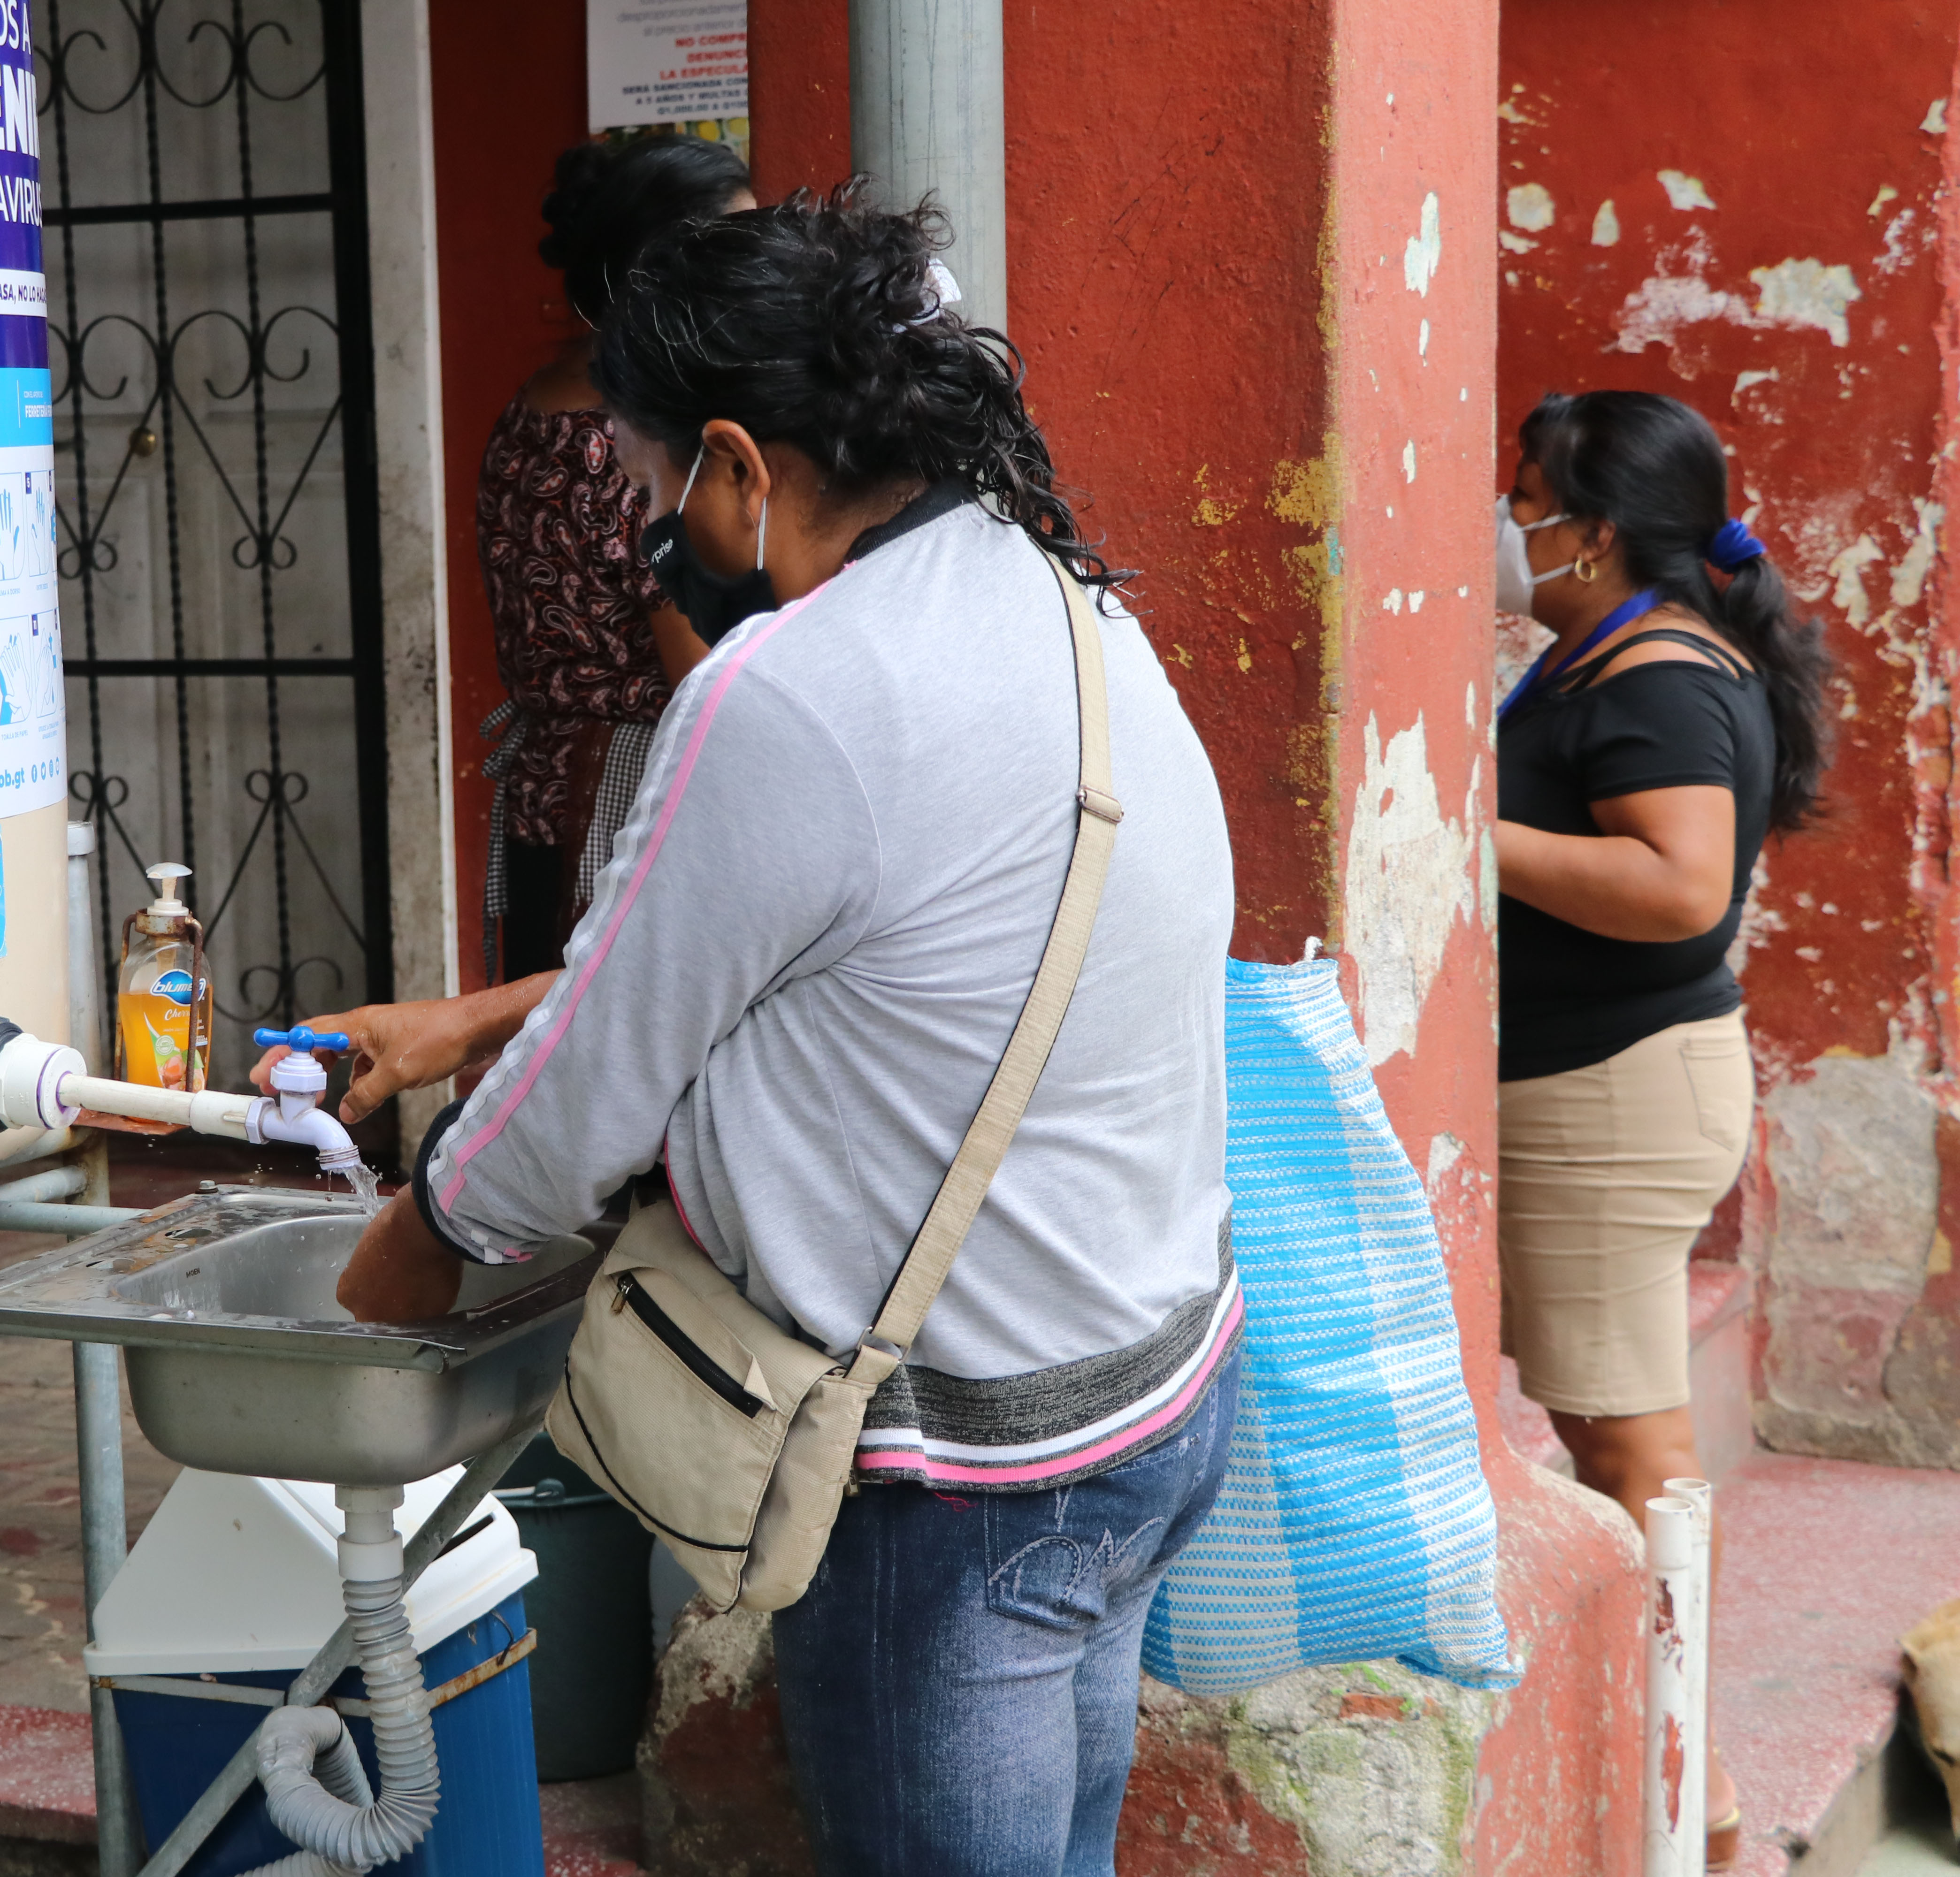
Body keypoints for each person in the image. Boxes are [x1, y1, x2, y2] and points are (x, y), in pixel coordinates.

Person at [261, 184, 1241, 1876]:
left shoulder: (792, 689)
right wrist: (457, 1031)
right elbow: (837, 959)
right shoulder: (1061, 593)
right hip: (1156, 1387)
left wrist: (412, 1253)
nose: (653, 521)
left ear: (732, 464)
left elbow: (594, 1085)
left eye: (651, 482)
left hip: (961, 1479)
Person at [1492, 389, 1832, 1873]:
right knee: (1613, 1439)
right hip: (1605, 1085)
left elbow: (1684, 886)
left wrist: (1462, 828)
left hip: (1611, 1098)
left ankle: (1701, 1813)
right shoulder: (1616, 653)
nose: (1511, 523)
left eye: (1528, 499)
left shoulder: (1663, 675)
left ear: (1599, 530)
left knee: (1632, 1454)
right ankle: (1698, 1791)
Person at [475, 135, 750, 981]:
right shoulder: (633, 446)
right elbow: (697, 678)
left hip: (544, 795)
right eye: (736, 252)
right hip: (623, 805)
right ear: (663, 275)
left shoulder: (533, 410)